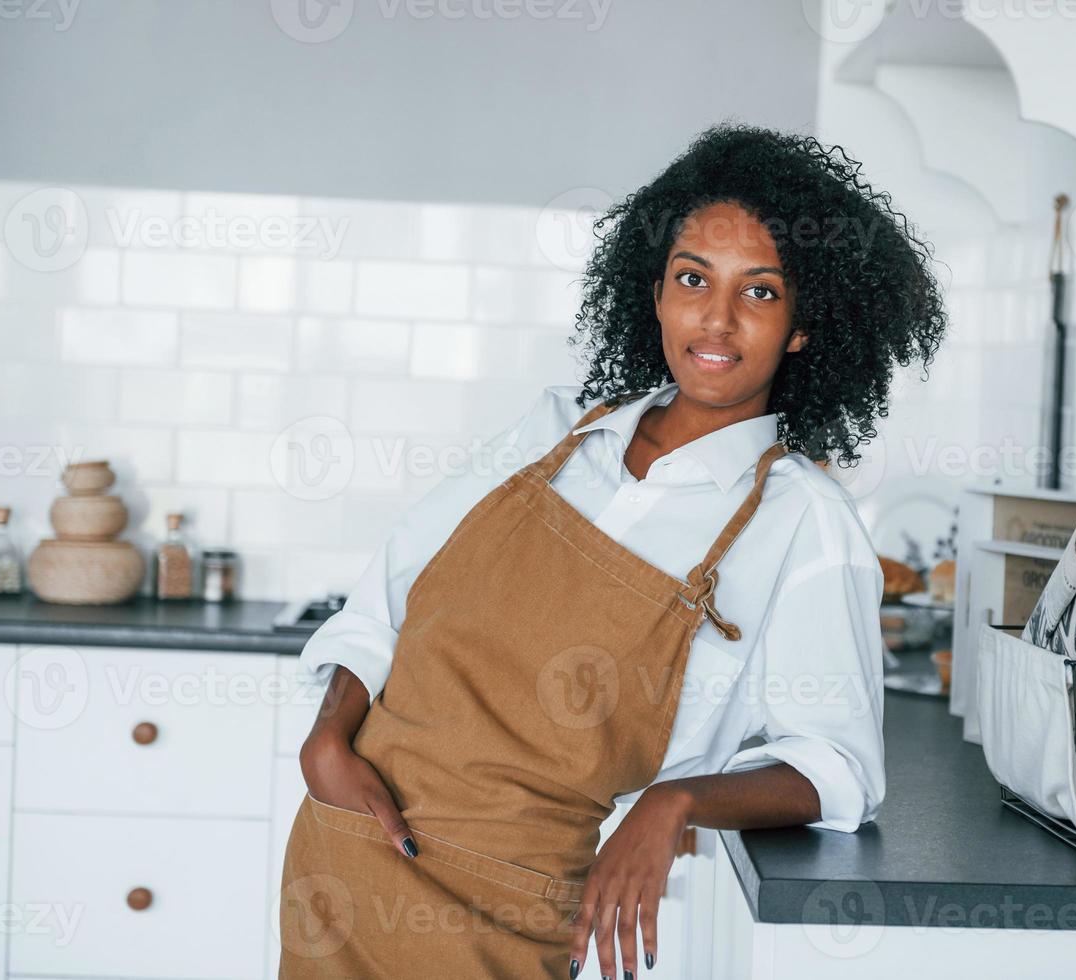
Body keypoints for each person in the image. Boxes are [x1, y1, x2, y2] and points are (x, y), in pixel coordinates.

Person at [278, 120, 948, 979]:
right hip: (344, 848)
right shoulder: (555, 432)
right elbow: (385, 600)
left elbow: (837, 768)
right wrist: (326, 740)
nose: (716, 317)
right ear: (657, 293)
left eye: (761, 293)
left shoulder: (801, 521)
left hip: (511, 902)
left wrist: (677, 804)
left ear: (805, 327)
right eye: (693, 279)